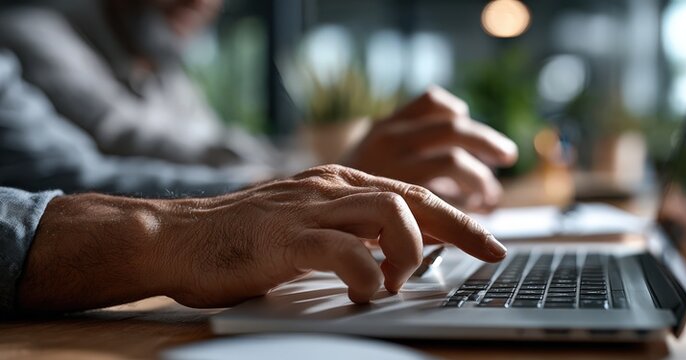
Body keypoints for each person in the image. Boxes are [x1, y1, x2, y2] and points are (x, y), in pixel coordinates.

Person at [0, 50, 508, 314]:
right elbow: (110, 156)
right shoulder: (40, 31)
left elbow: (75, 174)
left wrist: (291, 194)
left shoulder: (167, 60)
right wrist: (170, 234)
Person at [0, 0, 516, 210]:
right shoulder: (35, 33)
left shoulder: (168, 73)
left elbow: (219, 146)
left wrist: (333, 174)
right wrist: (324, 177)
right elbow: (121, 142)